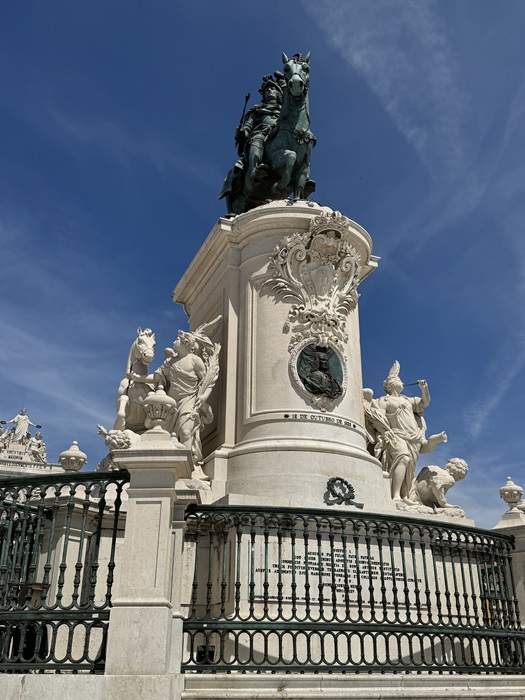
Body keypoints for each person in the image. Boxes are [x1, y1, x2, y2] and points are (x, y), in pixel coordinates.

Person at [368, 362, 447, 504]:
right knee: (403, 458)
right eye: (399, 380)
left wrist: (424, 389)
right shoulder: (384, 401)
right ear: (391, 384)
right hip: (396, 435)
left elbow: (424, 403)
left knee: (409, 467)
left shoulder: (407, 400)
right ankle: (395, 495)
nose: (402, 381)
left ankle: (405, 496)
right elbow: (378, 417)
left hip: (413, 438)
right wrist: (385, 431)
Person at [154, 319, 221, 479]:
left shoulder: (194, 360)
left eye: (177, 339)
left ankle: (187, 472)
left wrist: (203, 397)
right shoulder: (171, 361)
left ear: (185, 343)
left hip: (189, 399)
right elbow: (159, 375)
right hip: (171, 402)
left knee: (185, 431)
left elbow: (207, 381)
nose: (173, 341)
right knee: (165, 435)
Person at [219, 73, 284, 213]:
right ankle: (254, 172)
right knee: (257, 140)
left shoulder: (284, 112)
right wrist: (242, 133)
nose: (269, 92)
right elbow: (248, 128)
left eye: (272, 89)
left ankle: (302, 179)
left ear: (279, 93)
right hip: (261, 133)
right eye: (267, 90)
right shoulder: (256, 111)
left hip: (278, 135)